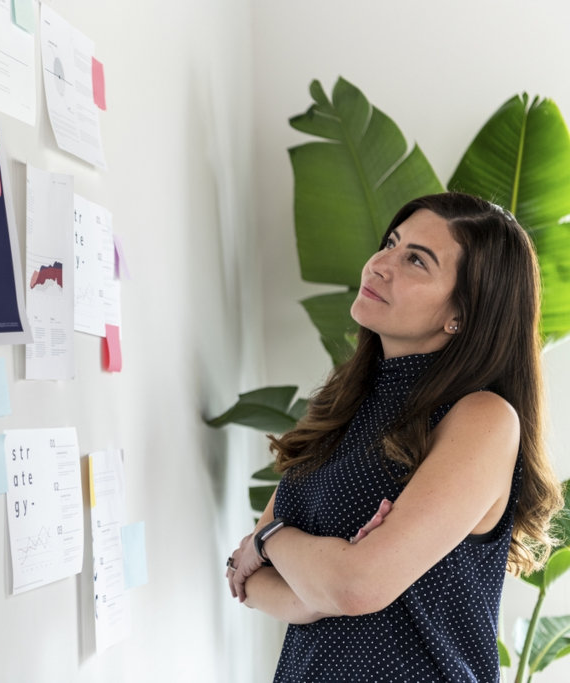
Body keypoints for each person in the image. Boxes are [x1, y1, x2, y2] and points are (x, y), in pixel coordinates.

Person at [225, 192, 564, 682]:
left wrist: (276, 541)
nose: (381, 264)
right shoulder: (343, 406)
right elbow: (251, 580)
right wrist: (325, 580)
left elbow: (351, 584)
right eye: (391, 242)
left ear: (462, 315)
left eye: (416, 261)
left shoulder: (482, 418)